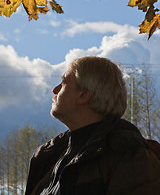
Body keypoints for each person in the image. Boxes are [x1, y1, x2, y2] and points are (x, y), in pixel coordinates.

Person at [25, 56, 160, 195]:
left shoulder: (132, 159)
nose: (55, 90)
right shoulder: (49, 156)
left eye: (64, 82)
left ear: (83, 95)